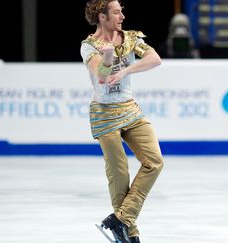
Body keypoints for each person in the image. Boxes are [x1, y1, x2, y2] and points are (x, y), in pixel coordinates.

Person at [80, 1, 164, 242]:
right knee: (119, 174)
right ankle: (130, 233)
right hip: (104, 115)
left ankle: (122, 219)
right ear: (102, 17)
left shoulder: (130, 38)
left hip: (130, 109)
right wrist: (107, 59)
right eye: (117, 12)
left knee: (155, 162)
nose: (122, 16)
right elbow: (102, 78)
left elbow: (155, 59)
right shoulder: (89, 46)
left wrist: (127, 70)